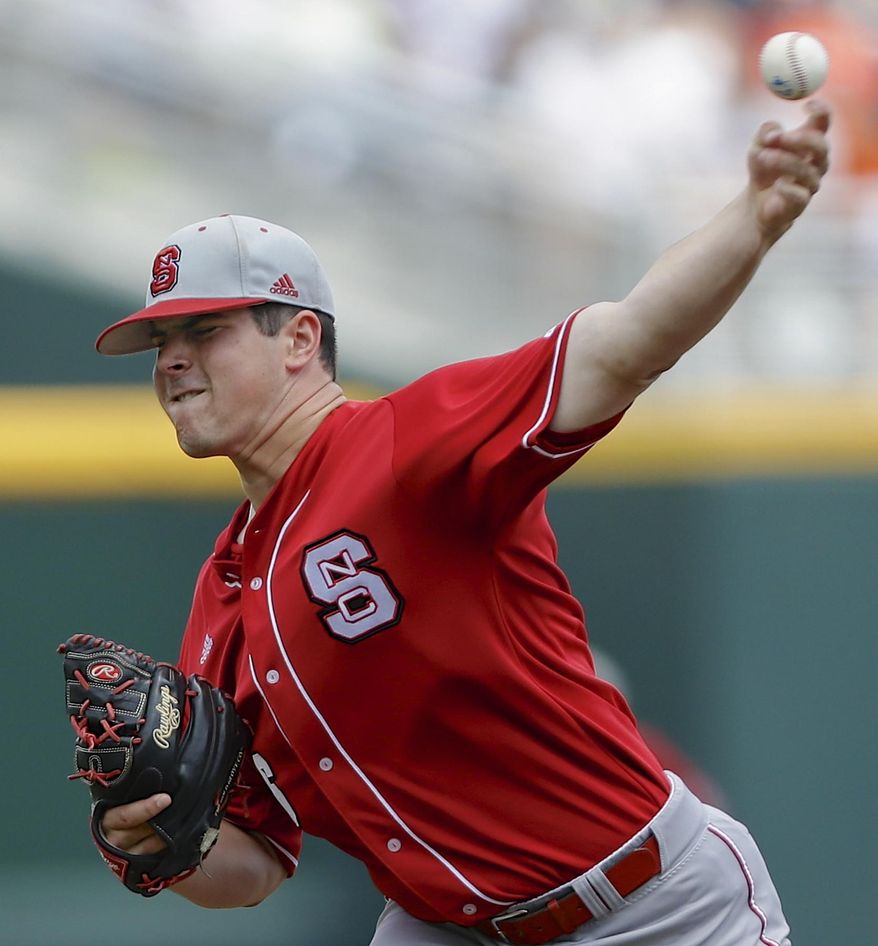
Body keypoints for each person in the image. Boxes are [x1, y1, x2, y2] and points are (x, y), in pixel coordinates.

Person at [92, 101, 831, 946]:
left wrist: (756, 217)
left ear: (299, 339)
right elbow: (258, 860)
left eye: (203, 330)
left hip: (647, 905)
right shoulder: (222, 595)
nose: (173, 359)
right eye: (159, 342)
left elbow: (624, 344)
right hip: (445, 929)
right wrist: (155, 843)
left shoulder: (408, 443)